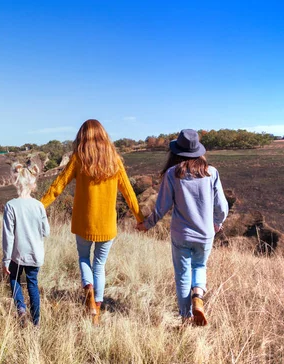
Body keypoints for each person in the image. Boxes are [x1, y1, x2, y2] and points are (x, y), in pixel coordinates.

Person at [40, 119, 144, 324]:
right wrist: (140, 218)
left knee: (84, 258)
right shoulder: (114, 160)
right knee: (100, 264)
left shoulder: (79, 158)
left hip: (83, 223)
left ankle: (88, 286)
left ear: (82, 137)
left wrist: (39, 206)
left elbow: (58, 185)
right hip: (107, 225)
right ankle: (96, 307)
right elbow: (129, 193)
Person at [137, 129, 229, 326]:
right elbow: (222, 206)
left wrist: (147, 225)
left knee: (182, 274)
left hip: (181, 235)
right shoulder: (211, 173)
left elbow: (161, 206)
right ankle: (198, 296)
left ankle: (186, 317)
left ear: (177, 152)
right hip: (205, 234)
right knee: (200, 266)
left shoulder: (172, 173)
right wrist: (217, 223)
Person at [2, 162, 50, 326]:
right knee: (32, 285)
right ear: (32, 184)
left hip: (16, 254)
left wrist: (6, 259)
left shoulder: (10, 206)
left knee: (14, 280)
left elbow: (8, 236)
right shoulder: (39, 206)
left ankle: (21, 309)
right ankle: (36, 323)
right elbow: (46, 231)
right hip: (35, 254)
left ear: (17, 182)